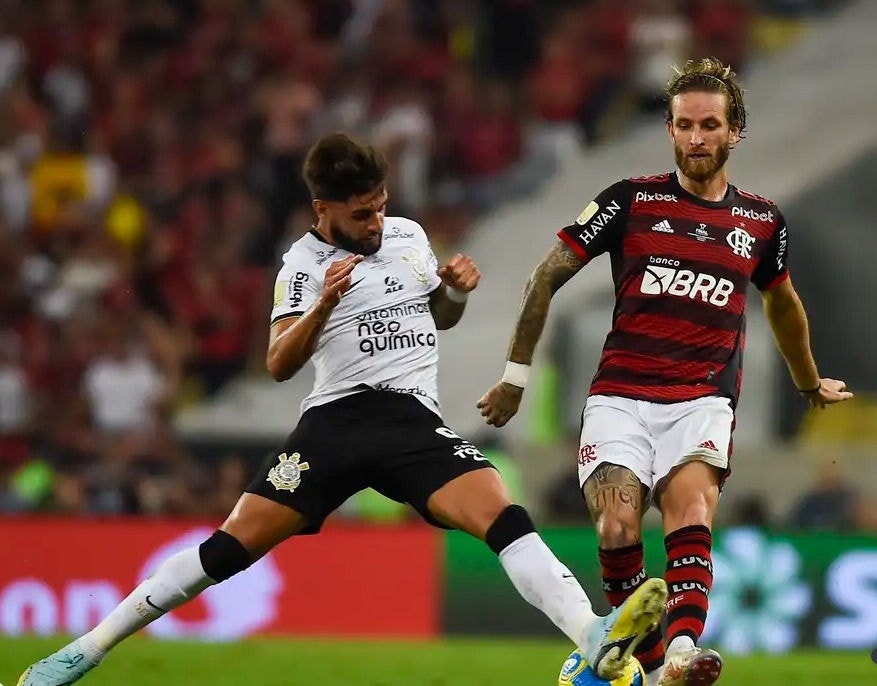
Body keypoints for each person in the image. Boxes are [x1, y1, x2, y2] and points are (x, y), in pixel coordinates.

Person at [18, 133, 667, 686]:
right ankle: (86, 649)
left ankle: (592, 638)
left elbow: (436, 318)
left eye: (380, 207)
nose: (376, 223)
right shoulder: (301, 266)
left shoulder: (409, 237)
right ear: (322, 208)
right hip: (335, 423)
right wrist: (324, 306)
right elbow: (277, 364)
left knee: (503, 514)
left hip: (412, 421)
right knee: (228, 548)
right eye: (361, 214)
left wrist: (452, 292)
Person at [477, 58, 853, 686]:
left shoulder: (761, 222)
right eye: (685, 125)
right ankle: (653, 670)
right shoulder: (629, 201)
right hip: (621, 396)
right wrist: (516, 376)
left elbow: (783, 305)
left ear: (735, 132)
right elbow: (546, 275)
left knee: (691, 510)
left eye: (710, 125)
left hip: (701, 399)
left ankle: (680, 652)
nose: (697, 137)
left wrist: (808, 381)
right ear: (670, 129)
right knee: (618, 522)